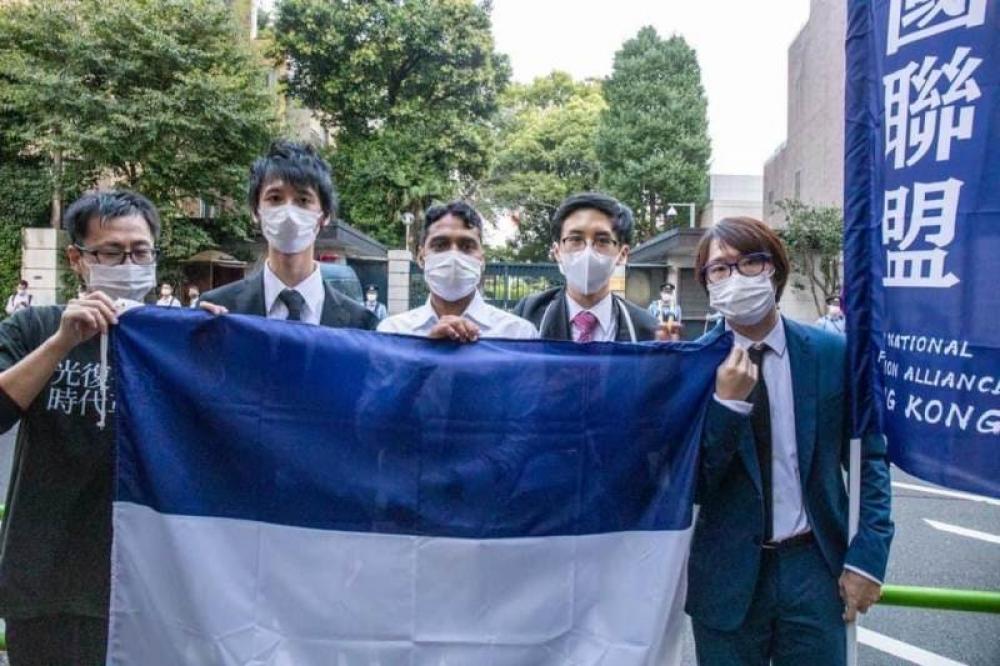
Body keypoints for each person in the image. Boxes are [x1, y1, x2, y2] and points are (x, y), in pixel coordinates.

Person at [687, 217, 893, 665]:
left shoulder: (831, 354)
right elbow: (692, 484)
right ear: (706, 283)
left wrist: (868, 557)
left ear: (774, 269)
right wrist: (727, 407)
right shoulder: (692, 367)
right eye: (719, 269)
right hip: (726, 575)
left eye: (750, 262)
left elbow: (869, 460)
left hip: (814, 567)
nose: (735, 277)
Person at [0, 190, 161, 665]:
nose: (128, 263)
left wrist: (218, 343)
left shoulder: (177, 339)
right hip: (47, 581)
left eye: (140, 251)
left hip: (147, 583)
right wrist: (60, 342)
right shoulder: (35, 327)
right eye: (110, 252)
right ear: (78, 259)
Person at [200, 141, 376, 330]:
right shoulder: (220, 310)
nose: (289, 212)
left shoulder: (361, 324)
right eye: (275, 198)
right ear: (255, 211)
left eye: (303, 200)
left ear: (324, 215)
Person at [514, 192, 672, 342]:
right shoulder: (529, 316)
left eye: (602, 241)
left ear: (622, 254)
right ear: (557, 252)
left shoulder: (646, 330)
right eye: (575, 239)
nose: (587, 252)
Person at [379, 202, 538, 341]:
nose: (453, 256)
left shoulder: (518, 335)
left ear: (482, 260)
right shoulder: (392, 333)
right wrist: (425, 353)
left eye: (467, 246)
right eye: (440, 245)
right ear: (421, 257)